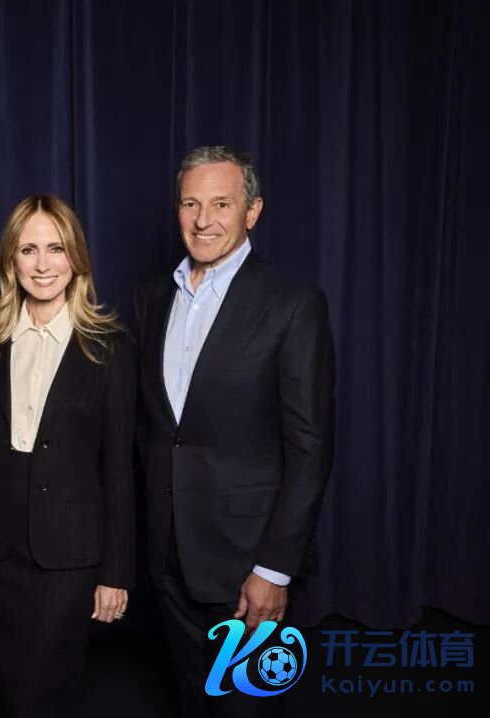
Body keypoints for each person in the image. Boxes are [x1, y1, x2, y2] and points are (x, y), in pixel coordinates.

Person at [132, 146, 335, 717]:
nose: (203, 220)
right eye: (190, 204)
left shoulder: (293, 303)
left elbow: (310, 449)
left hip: (248, 567)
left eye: (221, 204)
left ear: (253, 211)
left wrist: (274, 570)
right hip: (169, 556)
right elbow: (155, 428)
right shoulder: (152, 297)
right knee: (192, 701)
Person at [0, 194, 136, 717]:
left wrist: (117, 571)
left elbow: (119, 470)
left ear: (76, 256)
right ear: (11, 259)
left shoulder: (110, 346)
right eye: (28, 250)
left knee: (46, 693)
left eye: (56, 248)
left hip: (69, 557)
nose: (43, 264)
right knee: (0, 693)